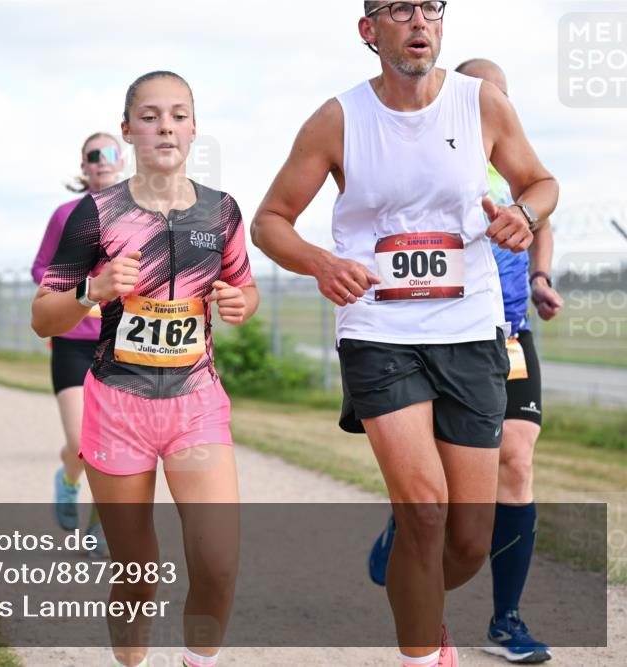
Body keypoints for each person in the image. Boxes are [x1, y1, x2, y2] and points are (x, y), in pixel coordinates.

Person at [250, 3, 558, 666]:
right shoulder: (338, 119)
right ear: (370, 31)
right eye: (398, 8)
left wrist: (524, 213)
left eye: (430, 7)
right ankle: (423, 650)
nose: (418, 20)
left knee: (468, 538)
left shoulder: (482, 104)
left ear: (440, 25)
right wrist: (320, 262)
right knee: (423, 508)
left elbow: (541, 181)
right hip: (378, 328)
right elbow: (270, 220)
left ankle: (413, 584)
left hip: (472, 330)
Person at [32, 70, 259, 667]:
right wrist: (93, 288)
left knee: (217, 561)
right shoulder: (95, 214)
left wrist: (240, 303)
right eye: (151, 115)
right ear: (129, 127)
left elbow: (244, 288)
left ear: (194, 128)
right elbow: (43, 318)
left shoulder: (222, 211)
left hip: (196, 405)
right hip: (118, 405)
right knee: (138, 574)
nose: (166, 126)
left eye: (179, 114)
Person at [367, 58, 564, 665]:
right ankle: (423, 578)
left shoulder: (514, 165)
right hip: (443, 334)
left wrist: (539, 276)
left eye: (501, 97)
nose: (491, 106)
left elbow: (543, 217)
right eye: (481, 95)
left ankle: (506, 620)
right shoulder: (433, 155)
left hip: (509, 332)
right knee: (440, 490)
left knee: (518, 461)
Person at [32, 131, 125, 553]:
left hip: (123, 343)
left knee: (114, 445)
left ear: (122, 160)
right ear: (83, 165)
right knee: (81, 443)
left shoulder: (143, 214)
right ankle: (68, 479)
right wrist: (83, 291)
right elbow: (42, 271)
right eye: (94, 155)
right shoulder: (66, 215)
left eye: (110, 153)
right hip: (72, 342)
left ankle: (100, 527)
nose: (103, 160)